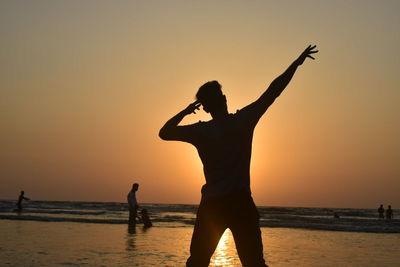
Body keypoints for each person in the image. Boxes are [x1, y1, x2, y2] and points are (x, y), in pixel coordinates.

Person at [159, 45, 318, 267]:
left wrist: (185, 112)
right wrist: (296, 63)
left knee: (198, 262)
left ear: (204, 107)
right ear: (223, 98)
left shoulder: (200, 131)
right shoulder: (242, 121)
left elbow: (164, 133)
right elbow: (273, 91)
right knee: (253, 262)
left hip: (213, 205)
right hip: (239, 203)